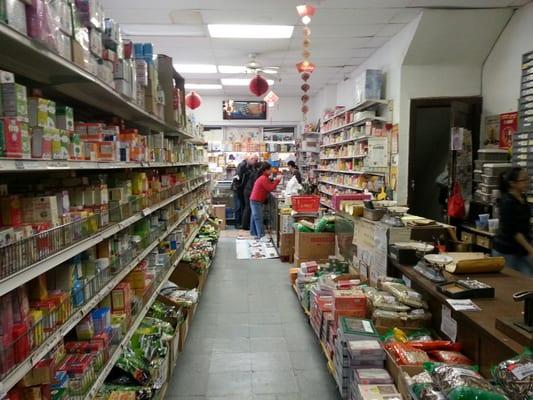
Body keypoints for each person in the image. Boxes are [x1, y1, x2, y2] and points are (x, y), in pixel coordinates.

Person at [493, 167, 533, 276]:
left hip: (520, 250)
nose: (527, 182)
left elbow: (524, 224)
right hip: (506, 251)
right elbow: (514, 231)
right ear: (512, 183)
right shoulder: (507, 202)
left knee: (528, 279)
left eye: (528, 179)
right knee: (512, 284)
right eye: (524, 180)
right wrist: (530, 248)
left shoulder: (522, 198)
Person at [250, 162, 281, 241]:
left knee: (255, 217)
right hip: (256, 200)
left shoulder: (263, 177)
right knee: (258, 218)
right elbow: (270, 188)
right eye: (269, 169)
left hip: (255, 200)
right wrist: (277, 180)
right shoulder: (263, 178)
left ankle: (256, 234)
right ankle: (261, 235)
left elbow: (269, 186)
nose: (271, 171)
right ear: (265, 170)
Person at [240, 154, 259, 230]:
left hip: (246, 190)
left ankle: (245, 225)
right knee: (248, 208)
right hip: (248, 191)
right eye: (255, 160)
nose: (256, 162)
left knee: (247, 208)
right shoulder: (244, 166)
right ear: (251, 159)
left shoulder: (251, 168)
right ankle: (245, 225)